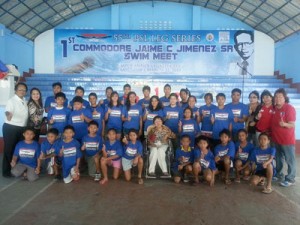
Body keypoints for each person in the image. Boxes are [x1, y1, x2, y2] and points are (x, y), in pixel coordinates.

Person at [2, 82, 29, 178]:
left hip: (21, 128)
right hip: (11, 127)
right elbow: (8, 111)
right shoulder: (11, 100)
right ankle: (6, 172)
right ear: (15, 91)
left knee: (18, 150)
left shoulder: (25, 101)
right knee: (9, 150)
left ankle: (16, 170)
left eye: (24, 90)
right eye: (20, 89)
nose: (22, 91)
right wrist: (8, 115)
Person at [271, 88, 296, 187]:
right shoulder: (274, 109)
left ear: (285, 98)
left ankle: (290, 178)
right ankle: (279, 175)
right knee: (278, 159)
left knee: (290, 160)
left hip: (287, 140)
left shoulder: (289, 108)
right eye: (276, 97)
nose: (277, 98)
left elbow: (292, 125)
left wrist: (284, 124)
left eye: (280, 97)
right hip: (276, 139)